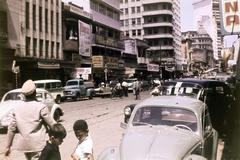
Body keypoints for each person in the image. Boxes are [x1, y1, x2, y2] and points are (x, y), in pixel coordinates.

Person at [4, 79, 56, 160]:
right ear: (35, 93)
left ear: (23, 94)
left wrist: (8, 146)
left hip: (25, 146)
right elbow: (52, 124)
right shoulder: (41, 107)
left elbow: (11, 129)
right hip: (39, 145)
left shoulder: (17, 108)